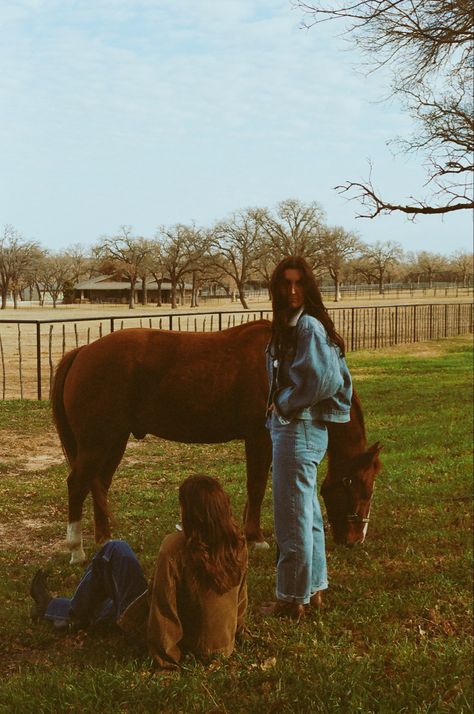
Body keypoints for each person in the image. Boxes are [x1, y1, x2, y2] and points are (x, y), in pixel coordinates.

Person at [30, 474, 248, 669]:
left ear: (192, 513)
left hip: (181, 643)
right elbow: (240, 598)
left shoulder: (175, 547)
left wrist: (167, 658)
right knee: (109, 601)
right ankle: (65, 609)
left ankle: (66, 612)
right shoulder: (236, 543)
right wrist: (236, 634)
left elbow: (164, 607)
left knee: (114, 550)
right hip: (221, 645)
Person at [261, 256, 352, 620]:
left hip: (297, 429)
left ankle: (291, 600)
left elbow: (323, 381)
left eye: (299, 283)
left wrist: (283, 403)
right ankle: (313, 591)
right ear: (277, 288)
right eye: (286, 283)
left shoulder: (309, 327)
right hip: (301, 430)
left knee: (291, 517)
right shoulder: (293, 325)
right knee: (308, 514)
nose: (293, 290)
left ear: (309, 287)